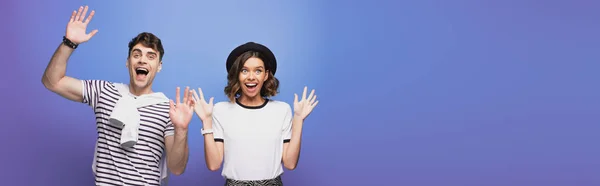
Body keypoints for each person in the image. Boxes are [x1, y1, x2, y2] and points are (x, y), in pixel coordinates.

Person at [41, 5, 194, 186]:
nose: (142, 60)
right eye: (136, 55)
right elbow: (52, 82)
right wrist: (69, 43)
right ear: (128, 63)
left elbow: (177, 168)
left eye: (151, 56)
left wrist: (181, 129)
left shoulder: (168, 110)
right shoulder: (104, 91)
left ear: (159, 66)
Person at [191, 42, 319, 185]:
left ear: (266, 75)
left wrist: (299, 120)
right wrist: (206, 121)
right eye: (244, 70)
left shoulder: (281, 110)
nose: (251, 77)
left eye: (258, 71)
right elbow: (214, 165)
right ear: (237, 75)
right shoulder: (221, 110)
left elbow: (290, 163)